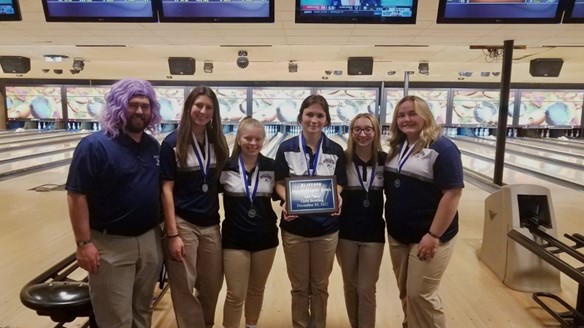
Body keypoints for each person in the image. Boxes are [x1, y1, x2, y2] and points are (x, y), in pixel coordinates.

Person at [66, 78, 163, 328]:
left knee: (142, 312)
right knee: (115, 319)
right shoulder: (94, 146)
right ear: (117, 106)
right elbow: (77, 195)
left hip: (149, 240)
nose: (140, 111)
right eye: (132, 104)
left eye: (145, 105)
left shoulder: (153, 145)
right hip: (110, 244)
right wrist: (84, 243)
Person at [384, 95, 464, 328]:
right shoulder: (398, 147)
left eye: (412, 113)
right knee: (407, 293)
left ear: (425, 116)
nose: (406, 119)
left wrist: (434, 235)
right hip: (399, 235)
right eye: (401, 115)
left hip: (429, 237)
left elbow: (452, 194)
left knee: (421, 295)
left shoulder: (443, 148)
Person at [274, 94, 347, 328]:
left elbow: (340, 182)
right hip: (294, 229)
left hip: (326, 230)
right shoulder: (285, 148)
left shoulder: (336, 150)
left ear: (326, 120)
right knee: (298, 286)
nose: (314, 120)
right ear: (300, 117)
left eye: (319, 115)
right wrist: (288, 201)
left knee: (319, 285)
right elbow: (278, 182)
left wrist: (336, 194)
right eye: (309, 114)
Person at [160, 86, 229, 328]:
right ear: (189, 107)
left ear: (214, 112)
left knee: (212, 285)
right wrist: (172, 233)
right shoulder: (172, 144)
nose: (203, 111)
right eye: (198, 105)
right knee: (184, 288)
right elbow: (166, 190)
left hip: (211, 223)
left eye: (208, 107)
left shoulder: (218, 142)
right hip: (183, 223)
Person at [219, 117, 278, 328]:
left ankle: (251, 325)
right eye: (248, 138)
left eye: (258, 139)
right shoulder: (225, 167)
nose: (253, 143)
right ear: (238, 139)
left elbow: (284, 192)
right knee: (235, 294)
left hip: (266, 238)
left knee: (256, 289)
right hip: (235, 239)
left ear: (264, 140)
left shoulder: (272, 166)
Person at [337, 113, 386, 328]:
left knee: (366, 287)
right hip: (345, 233)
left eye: (368, 129)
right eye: (357, 129)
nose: (362, 134)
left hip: (374, 234)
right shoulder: (343, 160)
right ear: (351, 132)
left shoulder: (385, 160)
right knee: (350, 285)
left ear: (375, 132)